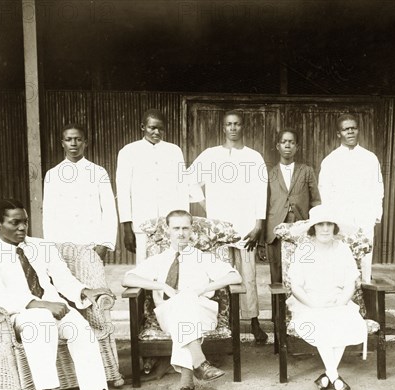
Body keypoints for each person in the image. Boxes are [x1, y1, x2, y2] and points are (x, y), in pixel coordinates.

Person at [0, 199, 132, 390]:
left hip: (55, 308)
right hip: (21, 315)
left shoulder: (41, 246)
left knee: (81, 329)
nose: (22, 228)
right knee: (40, 322)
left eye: (25, 222)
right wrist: (43, 305)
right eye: (15, 222)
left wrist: (85, 290)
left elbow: (64, 279)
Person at [122, 210, 242, 390]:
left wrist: (204, 288)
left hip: (202, 313)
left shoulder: (203, 258)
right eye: (176, 228)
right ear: (167, 230)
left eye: (185, 228)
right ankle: (198, 365)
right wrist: (162, 286)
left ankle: (187, 387)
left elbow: (235, 276)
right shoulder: (158, 259)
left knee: (185, 300)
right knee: (181, 304)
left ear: (192, 230)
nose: (181, 233)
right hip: (168, 314)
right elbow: (128, 279)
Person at [187, 110, 268, 343]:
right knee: (219, 275)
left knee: (248, 276)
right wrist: (206, 206)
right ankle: (223, 322)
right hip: (218, 229)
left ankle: (253, 321)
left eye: (237, 124)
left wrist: (258, 222)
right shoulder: (210, 155)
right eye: (229, 124)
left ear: (243, 127)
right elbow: (189, 179)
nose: (233, 128)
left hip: (246, 227)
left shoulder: (254, 157)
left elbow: (260, 191)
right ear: (223, 128)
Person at [286, 205, 367, 390]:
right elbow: (295, 286)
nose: (324, 228)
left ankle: (329, 376)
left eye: (329, 224)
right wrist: (314, 305)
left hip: (338, 300)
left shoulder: (343, 249)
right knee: (320, 322)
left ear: (334, 227)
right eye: (320, 224)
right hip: (308, 302)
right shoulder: (304, 251)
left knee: (344, 321)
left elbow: (350, 283)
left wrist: (340, 302)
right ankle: (334, 376)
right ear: (313, 228)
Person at [116, 108, 201, 263]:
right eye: (152, 127)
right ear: (143, 127)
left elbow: (182, 187)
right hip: (142, 221)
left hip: (170, 222)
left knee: (171, 263)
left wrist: (183, 221)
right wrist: (127, 228)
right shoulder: (128, 152)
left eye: (160, 128)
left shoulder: (174, 151)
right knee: (144, 267)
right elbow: (123, 191)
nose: (156, 132)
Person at [318, 113, 384, 283]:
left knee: (365, 259)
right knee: (341, 259)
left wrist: (375, 214)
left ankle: (366, 298)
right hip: (341, 219)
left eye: (353, 128)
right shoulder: (330, 160)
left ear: (358, 130)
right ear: (339, 133)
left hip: (364, 217)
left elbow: (378, 188)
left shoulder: (370, 158)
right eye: (346, 129)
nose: (350, 132)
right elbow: (325, 191)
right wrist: (332, 218)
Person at [43, 123, 118, 260]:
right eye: (68, 139)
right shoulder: (52, 175)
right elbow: (49, 215)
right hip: (63, 245)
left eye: (78, 139)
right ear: (62, 143)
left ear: (85, 142)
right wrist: (51, 247)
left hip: (92, 244)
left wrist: (104, 244)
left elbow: (109, 211)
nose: (73, 143)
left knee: (93, 281)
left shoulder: (98, 172)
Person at [265, 129, 321, 283]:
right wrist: (264, 235)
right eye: (284, 142)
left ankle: (298, 306)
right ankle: (278, 307)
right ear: (278, 146)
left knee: (300, 271)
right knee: (276, 274)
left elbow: (316, 201)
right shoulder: (270, 173)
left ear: (297, 146)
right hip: (275, 227)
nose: (287, 145)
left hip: (300, 224)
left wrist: (314, 226)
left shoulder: (307, 171)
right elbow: (264, 204)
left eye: (291, 142)